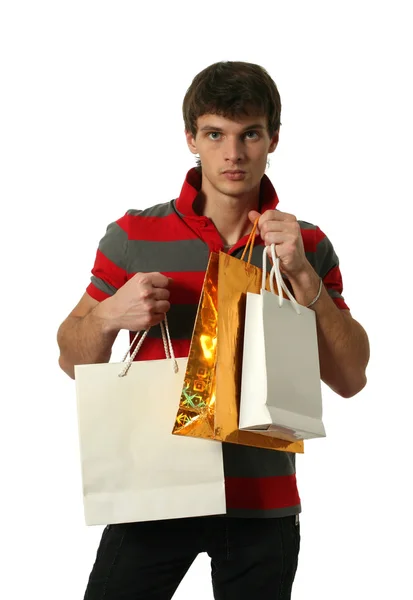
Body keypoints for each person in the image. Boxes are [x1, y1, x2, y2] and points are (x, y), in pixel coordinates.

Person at [57, 61, 370, 600]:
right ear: (191, 139)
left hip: (262, 499)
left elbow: (350, 376)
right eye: (215, 134)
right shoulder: (136, 234)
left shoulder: (306, 244)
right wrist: (111, 315)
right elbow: (71, 356)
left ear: (273, 138)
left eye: (250, 133)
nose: (233, 153)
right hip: (155, 488)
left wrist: (301, 275)